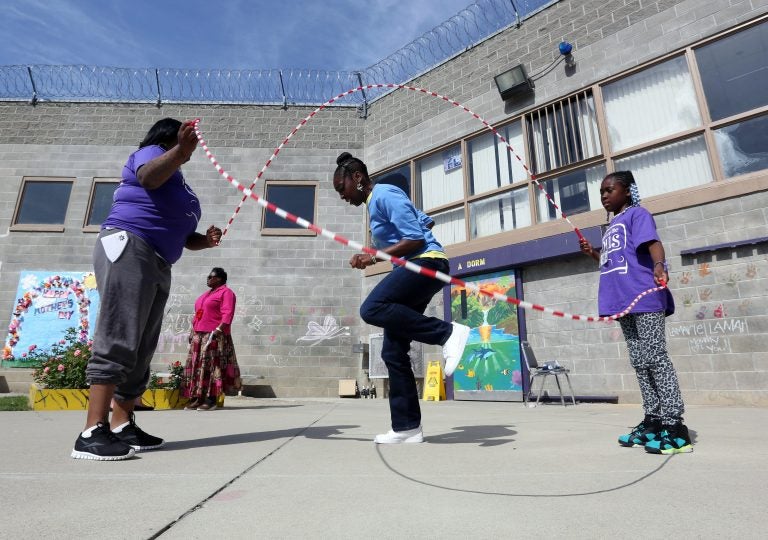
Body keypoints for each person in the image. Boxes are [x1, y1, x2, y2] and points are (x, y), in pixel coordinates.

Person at [71, 118, 222, 461]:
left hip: (157, 259)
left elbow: (183, 237)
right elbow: (148, 178)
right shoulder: (149, 154)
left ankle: (123, 424)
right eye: (184, 141)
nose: (191, 148)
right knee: (119, 333)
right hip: (130, 246)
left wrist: (205, 241)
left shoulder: (179, 180)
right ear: (169, 138)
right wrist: (181, 152)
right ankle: (92, 430)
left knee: (141, 345)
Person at [333, 152, 470, 444]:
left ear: (357, 178)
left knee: (372, 307)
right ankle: (407, 428)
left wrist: (370, 258)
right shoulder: (377, 204)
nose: (342, 195)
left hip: (427, 262)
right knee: (393, 352)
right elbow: (424, 222)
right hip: (416, 265)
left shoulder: (384, 193)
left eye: (341, 187)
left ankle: (448, 333)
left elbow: (416, 239)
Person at [579, 170, 692, 455]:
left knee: (656, 358)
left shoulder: (637, 214)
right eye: (601, 192)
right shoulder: (612, 225)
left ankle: (675, 426)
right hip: (621, 302)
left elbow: (653, 244)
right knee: (640, 362)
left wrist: (659, 266)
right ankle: (653, 420)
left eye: (610, 190)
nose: (604, 196)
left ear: (627, 191)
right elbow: (613, 261)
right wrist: (593, 253)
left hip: (644, 297)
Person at [182, 267, 240, 411]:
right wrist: (192, 332)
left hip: (214, 335)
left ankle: (211, 399)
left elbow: (228, 313)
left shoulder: (227, 293)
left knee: (213, 366)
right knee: (198, 367)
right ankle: (198, 397)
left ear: (219, 278)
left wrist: (219, 330)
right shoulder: (206, 294)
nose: (208, 279)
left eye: (211, 276)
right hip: (199, 335)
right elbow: (198, 314)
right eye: (208, 276)